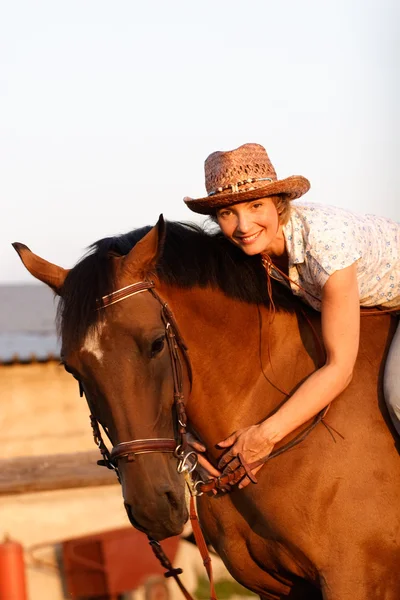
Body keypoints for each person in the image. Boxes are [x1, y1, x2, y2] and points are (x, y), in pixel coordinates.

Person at [183, 142, 400, 488]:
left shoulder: (326, 244)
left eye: (255, 206)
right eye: (227, 213)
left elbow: (339, 367)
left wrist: (265, 436)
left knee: (398, 396)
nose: (243, 225)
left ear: (279, 205)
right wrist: (188, 429)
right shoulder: (244, 250)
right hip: (374, 302)